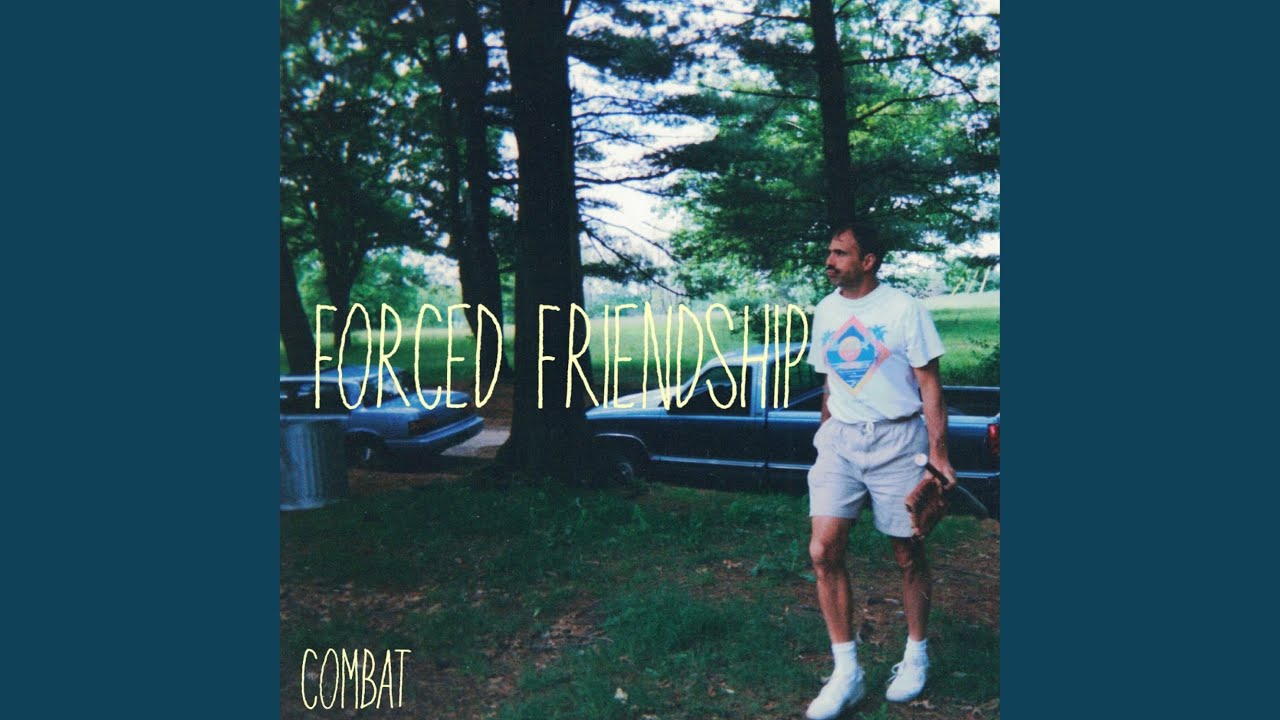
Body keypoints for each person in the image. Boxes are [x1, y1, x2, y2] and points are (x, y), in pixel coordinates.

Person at [802, 221, 956, 720]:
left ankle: (916, 653)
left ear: (868, 261)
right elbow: (831, 385)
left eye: (840, 253)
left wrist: (939, 455)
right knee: (823, 550)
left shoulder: (903, 309)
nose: (829, 261)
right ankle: (846, 671)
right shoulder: (826, 311)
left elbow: (929, 385)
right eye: (829, 251)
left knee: (908, 553)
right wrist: (825, 437)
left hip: (898, 440)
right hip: (841, 442)